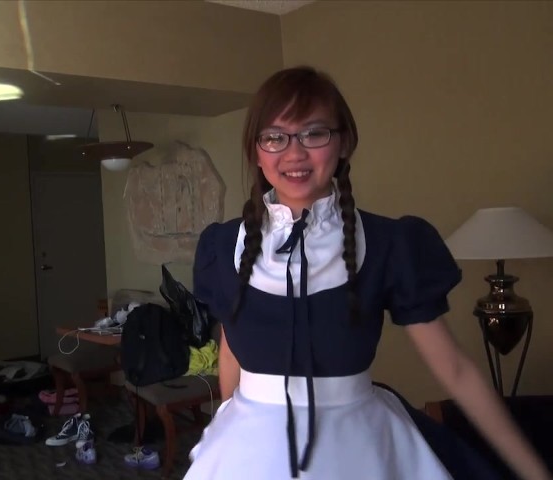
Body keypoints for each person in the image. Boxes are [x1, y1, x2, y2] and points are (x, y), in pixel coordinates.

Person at [184, 66, 550, 480]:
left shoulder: (390, 244)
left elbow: (456, 370)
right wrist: (223, 430)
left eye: (314, 133)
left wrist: (535, 473)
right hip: (246, 450)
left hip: (360, 446)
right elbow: (232, 349)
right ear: (256, 151)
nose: (294, 153)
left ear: (344, 143)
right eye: (274, 137)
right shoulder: (222, 247)